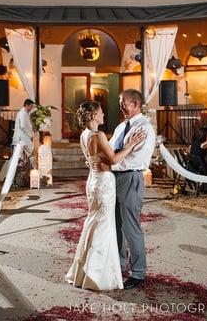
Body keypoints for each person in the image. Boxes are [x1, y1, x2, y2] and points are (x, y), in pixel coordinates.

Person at [65, 100, 145, 291]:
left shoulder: (84, 135)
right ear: (93, 116)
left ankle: (84, 271)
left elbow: (95, 158)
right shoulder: (98, 134)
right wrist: (132, 144)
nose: (104, 115)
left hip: (92, 180)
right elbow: (115, 159)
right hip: (104, 181)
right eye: (101, 112)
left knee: (93, 222)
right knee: (105, 225)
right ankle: (97, 274)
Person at [108, 89, 156, 289]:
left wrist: (113, 155)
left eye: (123, 102)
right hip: (115, 177)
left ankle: (138, 272)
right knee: (116, 224)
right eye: (120, 102)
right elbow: (111, 150)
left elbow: (127, 155)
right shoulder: (121, 126)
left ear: (135, 104)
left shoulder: (144, 127)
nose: (120, 106)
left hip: (130, 176)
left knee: (130, 226)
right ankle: (119, 265)